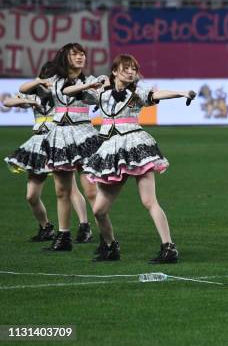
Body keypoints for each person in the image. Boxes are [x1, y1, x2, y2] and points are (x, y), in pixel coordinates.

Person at [66, 54, 195, 263]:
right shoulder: (101, 91)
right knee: (98, 210)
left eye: (134, 68)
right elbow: (67, 91)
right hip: (111, 151)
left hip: (135, 146)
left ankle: (168, 247)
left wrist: (181, 92)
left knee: (149, 201)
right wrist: (91, 84)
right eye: (126, 68)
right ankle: (110, 246)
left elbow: (157, 94)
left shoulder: (138, 90)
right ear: (115, 71)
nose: (131, 71)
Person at [19, 44, 101, 251]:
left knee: (91, 190)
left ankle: (105, 237)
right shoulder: (55, 80)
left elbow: (98, 99)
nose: (80, 56)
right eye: (75, 53)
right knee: (62, 190)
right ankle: (63, 237)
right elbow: (22, 90)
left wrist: (100, 87)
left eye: (82, 53)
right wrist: (39, 80)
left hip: (84, 135)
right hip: (61, 135)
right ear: (64, 57)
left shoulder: (90, 81)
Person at [4, 62, 89, 242]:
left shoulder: (62, 92)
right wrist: (28, 99)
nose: (50, 81)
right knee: (31, 195)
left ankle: (84, 226)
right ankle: (46, 227)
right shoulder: (35, 93)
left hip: (58, 142)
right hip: (37, 144)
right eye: (46, 77)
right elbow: (7, 101)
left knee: (70, 188)